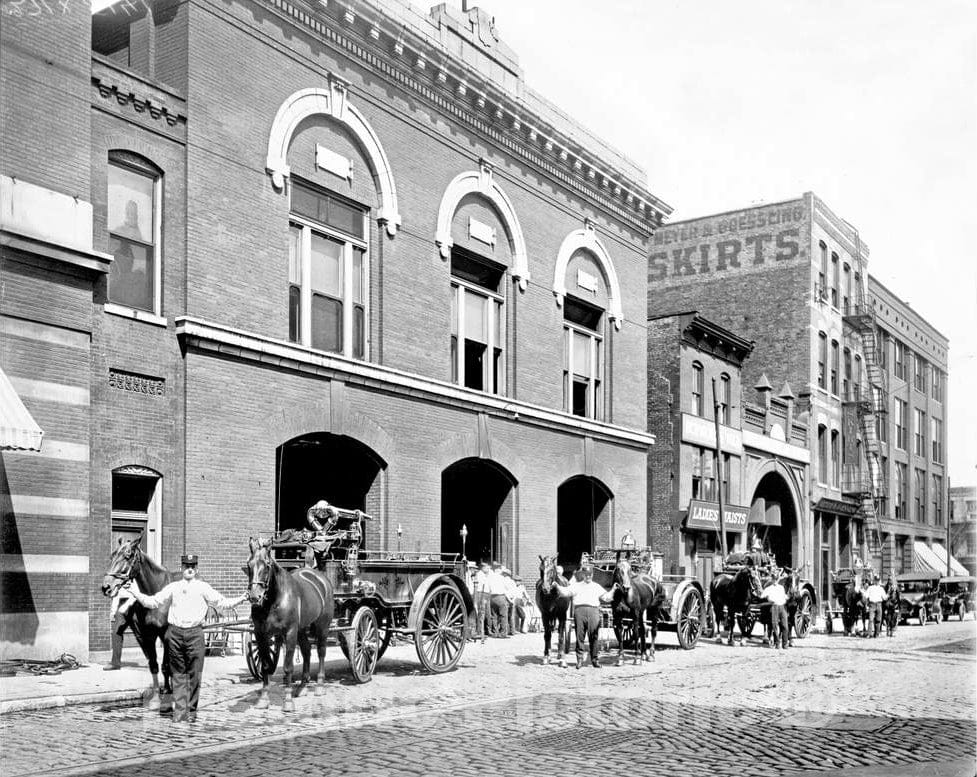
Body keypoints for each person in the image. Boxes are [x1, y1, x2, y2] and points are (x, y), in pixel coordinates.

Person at [126, 553, 247, 723]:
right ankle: (180, 712)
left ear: (196, 568)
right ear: (182, 567)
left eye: (192, 566)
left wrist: (242, 598)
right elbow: (152, 602)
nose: (189, 569)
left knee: (194, 675)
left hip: (195, 634)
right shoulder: (173, 587)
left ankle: (191, 711)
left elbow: (222, 603)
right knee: (178, 675)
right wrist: (134, 592)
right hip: (175, 634)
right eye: (186, 566)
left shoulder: (203, 587)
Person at [552, 564, 613, 669]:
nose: (588, 576)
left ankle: (594, 660)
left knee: (594, 637)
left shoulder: (596, 586)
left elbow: (607, 598)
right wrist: (557, 586)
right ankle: (579, 660)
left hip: (594, 611)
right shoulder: (577, 585)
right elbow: (565, 592)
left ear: (592, 575)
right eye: (586, 574)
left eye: (589, 574)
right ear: (583, 575)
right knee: (580, 636)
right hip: (579, 611)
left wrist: (613, 590)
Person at [104, 579, 140, 670]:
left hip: (134, 605)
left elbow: (139, 593)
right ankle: (115, 663)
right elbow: (113, 596)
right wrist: (117, 586)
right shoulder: (117, 580)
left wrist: (131, 586)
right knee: (116, 633)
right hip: (121, 607)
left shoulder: (135, 576)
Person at [761, 575, 789, 649]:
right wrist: (768, 598)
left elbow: (784, 596)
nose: (775, 581)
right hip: (774, 606)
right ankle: (777, 643)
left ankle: (785, 644)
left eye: (776, 579)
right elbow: (762, 596)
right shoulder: (769, 588)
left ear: (778, 580)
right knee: (774, 626)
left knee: (785, 626)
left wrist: (786, 598)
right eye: (774, 579)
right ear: (772, 579)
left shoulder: (781, 588)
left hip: (782, 606)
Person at [485, 562, 510, 637]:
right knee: (503, 615)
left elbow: (488, 587)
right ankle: (503, 633)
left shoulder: (490, 577)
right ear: (498, 570)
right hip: (500, 596)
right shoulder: (502, 578)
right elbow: (507, 587)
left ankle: (495, 632)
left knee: (494, 615)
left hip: (492, 597)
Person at [865, 574, 887, 638]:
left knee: (878, 620)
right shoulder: (870, 588)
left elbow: (884, 597)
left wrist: (888, 595)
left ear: (879, 581)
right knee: (870, 619)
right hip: (872, 605)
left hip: (879, 604)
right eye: (876, 580)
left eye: (878, 580)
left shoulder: (881, 588)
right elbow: (866, 596)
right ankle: (869, 634)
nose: (877, 581)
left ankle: (876, 634)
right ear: (874, 580)